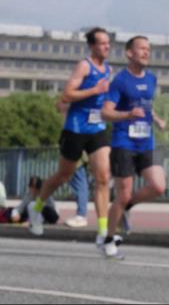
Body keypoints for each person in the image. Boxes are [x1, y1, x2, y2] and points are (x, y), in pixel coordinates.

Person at [28, 27, 113, 238]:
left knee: (103, 177)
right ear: (92, 46)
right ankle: (35, 208)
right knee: (64, 175)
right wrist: (94, 90)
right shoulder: (84, 66)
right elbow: (67, 94)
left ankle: (103, 231)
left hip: (97, 128)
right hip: (75, 129)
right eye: (102, 43)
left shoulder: (108, 69)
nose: (107, 46)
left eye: (108, 43)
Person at [101, 35, 167, 259]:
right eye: (142, 49)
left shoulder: (151, 79)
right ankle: (108, 238)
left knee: (158, 187)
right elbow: (105, 112)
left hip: (146, 141)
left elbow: (146, 106)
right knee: (122, 195)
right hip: (124, 143)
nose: (147, 52)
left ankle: (128, 207)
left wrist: (157, 120)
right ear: (129, 53)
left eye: (149, 49)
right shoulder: (120, 81)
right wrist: (128, 114)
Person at [55, 98, 90, 229]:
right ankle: (81, 213)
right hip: (72, 146)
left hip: (76, 148)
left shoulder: (75, 112)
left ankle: (81, 214)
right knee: (75, 180)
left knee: (79, 181)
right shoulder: (72, 112)